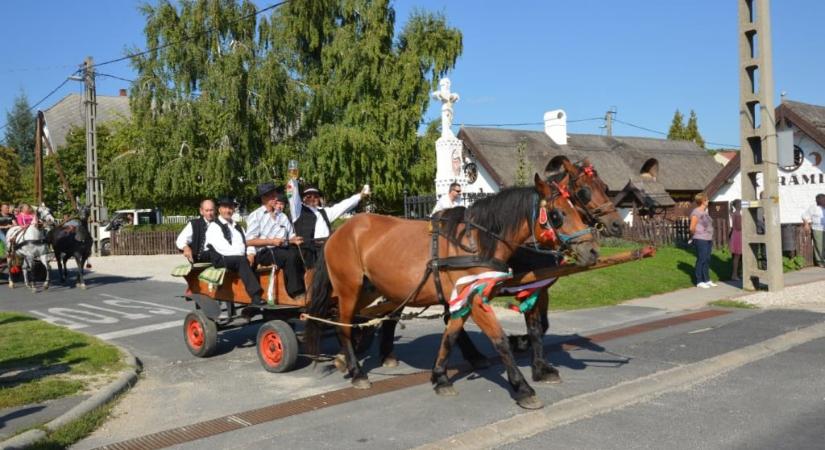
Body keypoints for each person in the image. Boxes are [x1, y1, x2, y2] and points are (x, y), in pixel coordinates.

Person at [245, 183, 306, 302]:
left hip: (283, 249)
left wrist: (295, 239)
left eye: (275, 194)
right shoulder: (255, 216)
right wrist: (271, 241)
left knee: (304, 251)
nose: (275, 197)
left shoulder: (282, 216)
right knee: (290, 256)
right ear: (263, 198)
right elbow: (249, 241)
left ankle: (310, 286)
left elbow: (291, 235)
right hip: (264, 252)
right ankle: (295, 292)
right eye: (271, 195)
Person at [205, 197, 264, 305]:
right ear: (219, 209)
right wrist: (243, 256)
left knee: (257, 259)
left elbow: (248, 242)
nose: (228, 210)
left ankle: (265, 295)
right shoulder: (214, 226)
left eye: (230, 208)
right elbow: (223, 248)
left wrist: (250, 253)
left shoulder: (238, 227)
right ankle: (255, 295)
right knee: (241, 261)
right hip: (221, 258)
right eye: (225, 208)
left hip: (238, 258)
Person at [293, 184, 366, 268]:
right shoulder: (298, 211)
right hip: (308, 249)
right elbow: (293, 198)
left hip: (326, 246)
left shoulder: (325, 212)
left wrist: (360, 196)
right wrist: (293, 181)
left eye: (316, 196)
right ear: (303, 198)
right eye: (309, 196)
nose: (312, 199)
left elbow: (343, 206)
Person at [176, 199, 217, 263]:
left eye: (211, 210)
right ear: (201, 211)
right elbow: (180, 240)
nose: (209, 213)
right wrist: (185, 247)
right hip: (199, 261)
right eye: (207, 210)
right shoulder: (194, 224)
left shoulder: (221, 224)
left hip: (218, 261)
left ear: (215, 210)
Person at [689, 193, 716, 288]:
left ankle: (707, 279)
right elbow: (692, 227)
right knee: (702, 258)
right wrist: (694, 236)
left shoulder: (705, 212)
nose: (708, 201)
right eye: (707, 200)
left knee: (707, 259)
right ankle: (699, 281)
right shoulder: (696, 212)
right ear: (702, 201)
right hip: (700, 239)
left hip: (708, 238)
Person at [802, 193, 825, 268]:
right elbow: (804, 216)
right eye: (820, 200)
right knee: (819, 245)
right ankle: (820, 261)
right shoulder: (813, 207)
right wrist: (806, 224)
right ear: (817, 200)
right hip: (818, 228)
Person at [729, 199, 743, 280]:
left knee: (737, 256)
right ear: (737, 205)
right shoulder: (737, 214)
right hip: (738, 235)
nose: (741, 205)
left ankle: (737, 273)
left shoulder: (734, 213)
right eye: (740, 204)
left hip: (736, 235)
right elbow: (738, 227)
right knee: (737, 256)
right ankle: (734, 274)